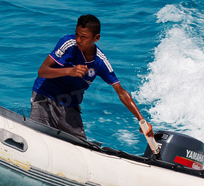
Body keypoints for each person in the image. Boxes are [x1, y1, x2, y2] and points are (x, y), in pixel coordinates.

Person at [30, 14, 160, 153]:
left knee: (82, 150)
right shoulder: (68, 43)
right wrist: (70, 71)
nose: (78, 40)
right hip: (45, 97)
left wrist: (141, 120)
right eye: (77, 35)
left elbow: (120, 91)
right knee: (37, 139)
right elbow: (42, 71)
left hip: (69, 105)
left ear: (96, 38)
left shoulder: (100, 61)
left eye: (83, 37)